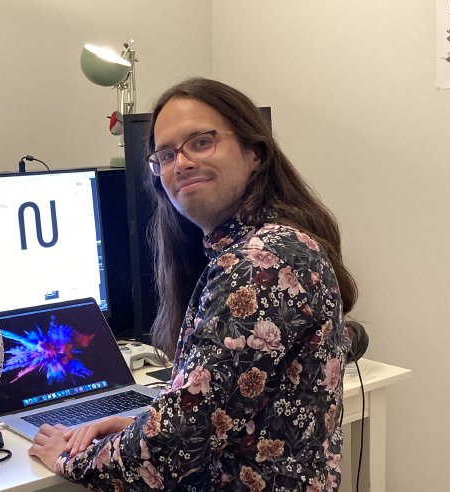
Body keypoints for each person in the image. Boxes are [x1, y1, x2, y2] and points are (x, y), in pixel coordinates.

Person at [29, 77, 358, 491]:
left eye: (200, 142)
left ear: (254, 152)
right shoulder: (261, 246)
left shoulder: (262, 263)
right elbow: (225, 415)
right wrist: (141, 421)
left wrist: (66, 454)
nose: (179, 163)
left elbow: (173, 448)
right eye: (165, 155)